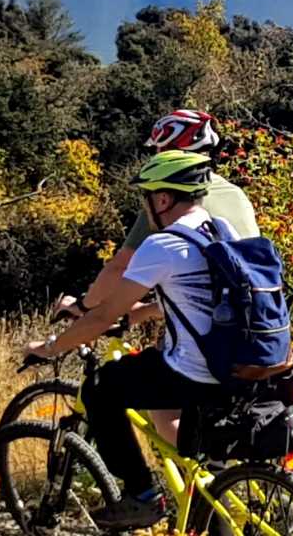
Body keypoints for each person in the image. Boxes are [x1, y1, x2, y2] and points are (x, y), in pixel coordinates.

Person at [24, 150, 233, 530]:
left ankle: (141, 494)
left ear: (164, 198)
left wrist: (52, 347)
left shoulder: (164, 245)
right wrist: (141, 313)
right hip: (234, 368)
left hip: (193, 373)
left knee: (102, 388)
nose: (146, 206)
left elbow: (102, 316)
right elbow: (196, 300)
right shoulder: (221, 232)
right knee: (202, 463)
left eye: (147, 196)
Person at [59, 109, 257, 445]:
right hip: (254, 330)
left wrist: (84, 306)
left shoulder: (172, 199)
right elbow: (215, 279)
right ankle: (213, 474)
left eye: (158, 152)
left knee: (143, 402)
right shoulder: (237, 195)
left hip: (209, 342)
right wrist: (150, 308)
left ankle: (164, 489)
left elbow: (119, 266)